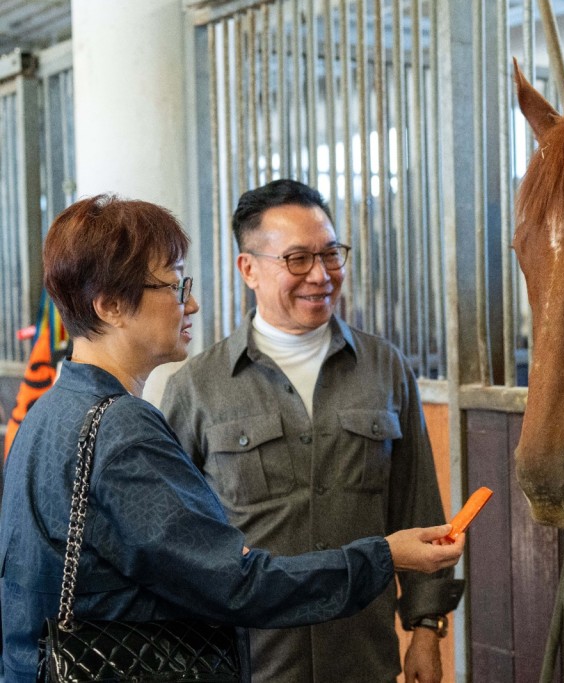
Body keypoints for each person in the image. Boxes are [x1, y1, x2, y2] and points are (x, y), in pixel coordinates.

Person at [0, 195, 464, 683]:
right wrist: (384, 556)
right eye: (174, 283)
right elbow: (235, 585)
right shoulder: (124, 427)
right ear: (111, 306)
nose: (191, 302)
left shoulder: (49, 412)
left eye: (330, 254)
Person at [161, 178, 464, 683]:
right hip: (246, 666)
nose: (321, 275)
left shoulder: (385, 369)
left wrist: (426, 630)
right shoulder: (197, 388)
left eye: (331, 254)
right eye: (298, 259)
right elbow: (175, 543)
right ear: (249, 269)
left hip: (364, 660)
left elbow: (417, 506)